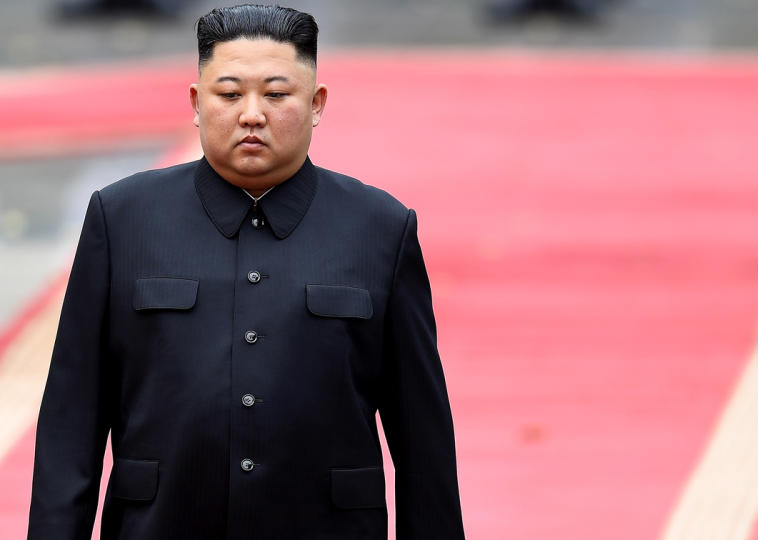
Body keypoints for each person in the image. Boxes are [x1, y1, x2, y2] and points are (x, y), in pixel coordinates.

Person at [27, 4, 466, 539]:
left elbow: (422, 439)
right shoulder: (123, 219)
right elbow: (72, 418)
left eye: (276, 95)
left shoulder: (379, 228)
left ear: (316, 102)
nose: (252, 114)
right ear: (196, 101)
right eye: (229, 94)